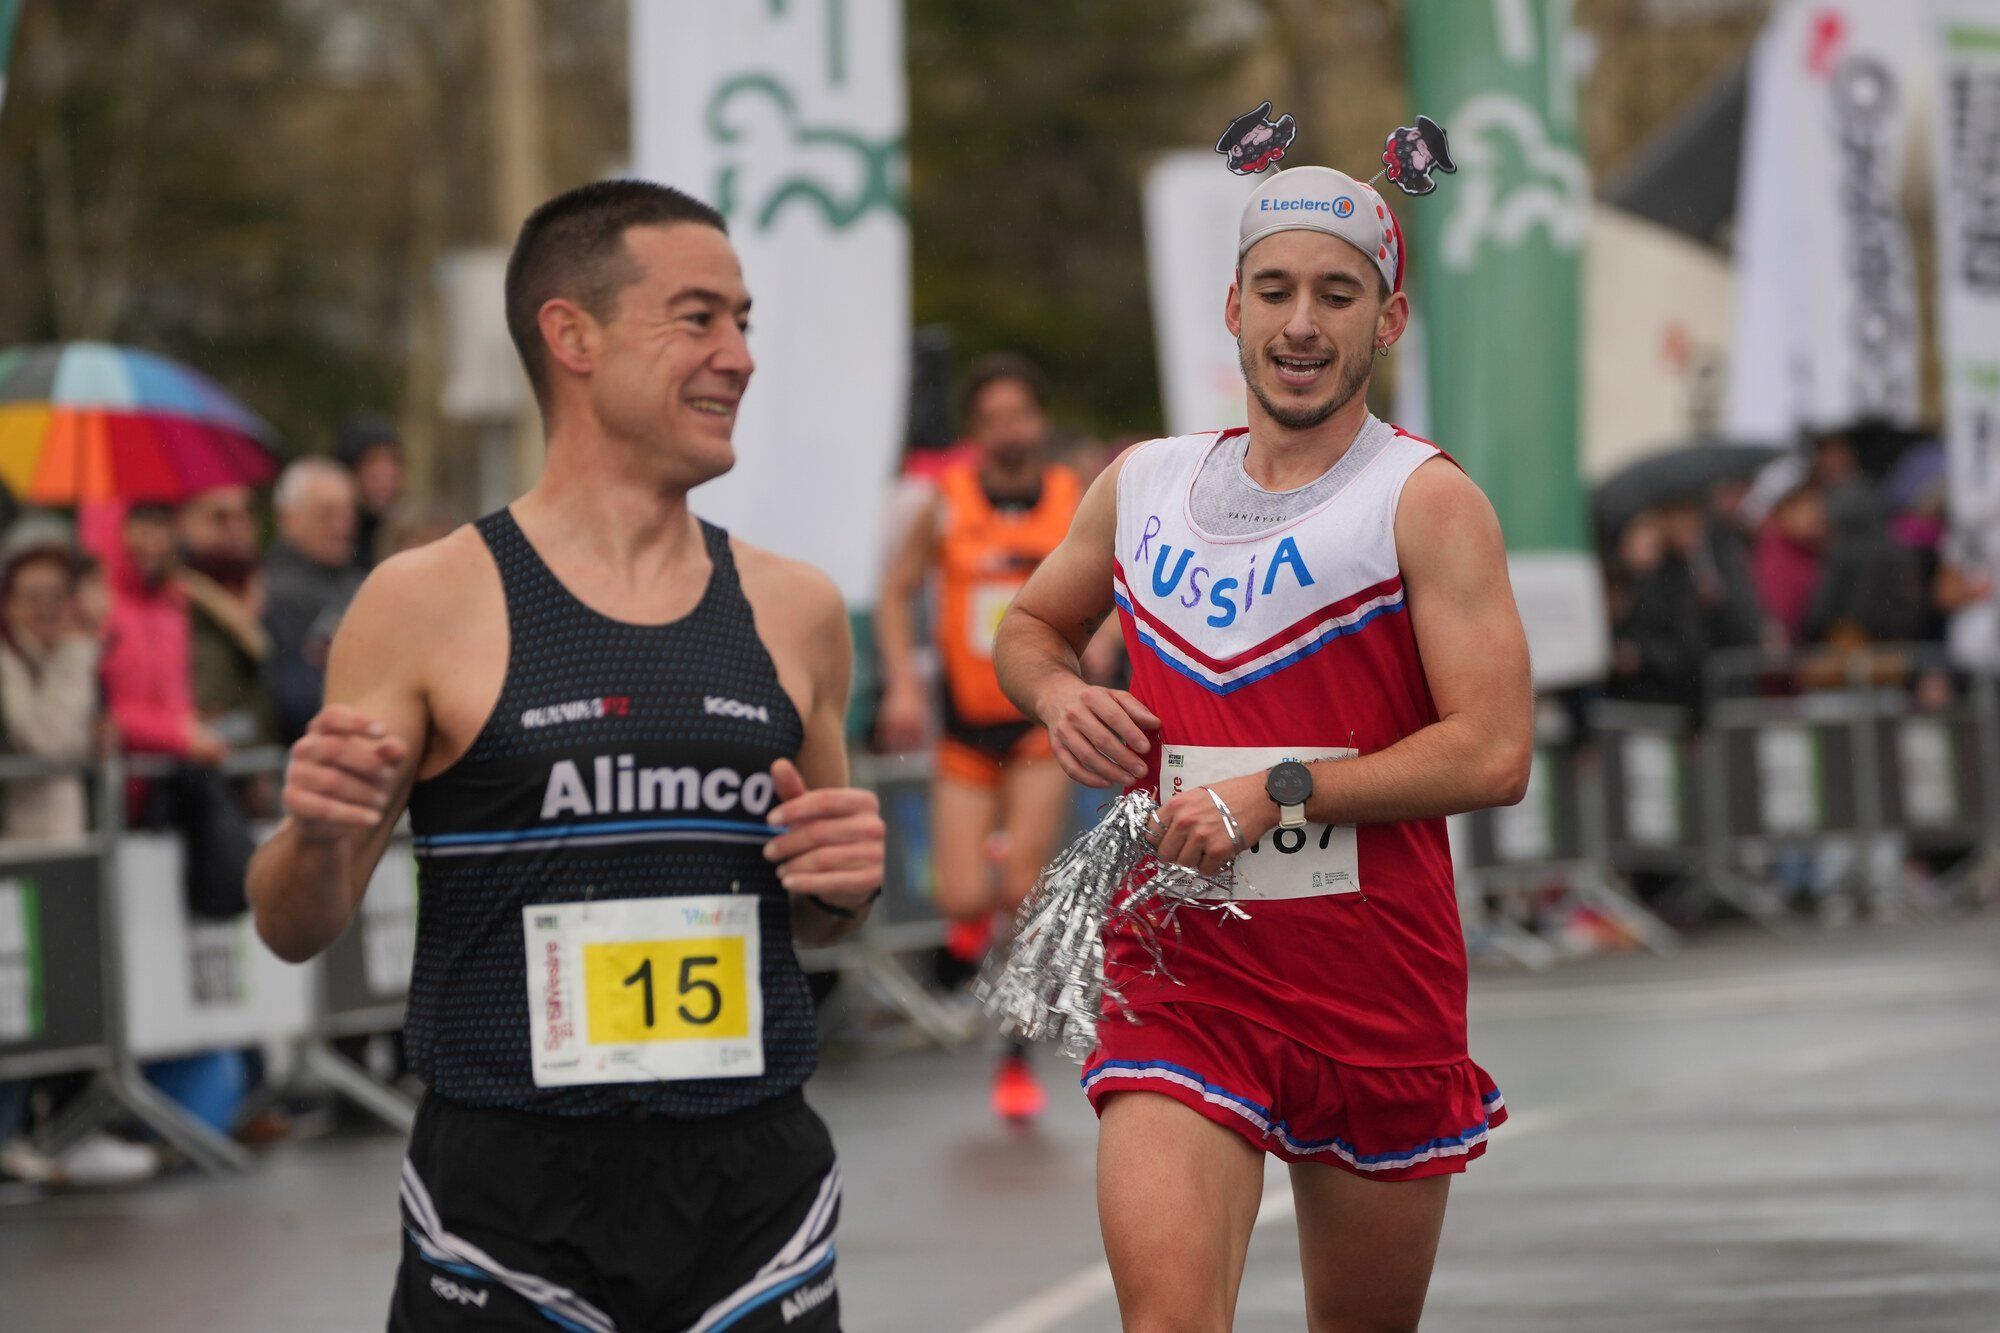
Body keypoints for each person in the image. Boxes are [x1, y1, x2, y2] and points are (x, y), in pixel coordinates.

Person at [246, 179, 884, 1332]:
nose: (737, 356)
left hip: (751, 1192)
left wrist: (843, 891)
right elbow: (296, 924)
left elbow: (821, 916)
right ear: (570, 334)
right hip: (507, 1198)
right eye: (698, 318)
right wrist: (312, 836)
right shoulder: (425, 600)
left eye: (746, 322)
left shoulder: (795, 609)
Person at [995, 165, 1532, 1331]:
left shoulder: (1424, 500)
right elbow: (1029, 626)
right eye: (1274, 289)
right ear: (1230, 305)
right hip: (1183, 970)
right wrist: (1053, 696)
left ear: (1385, 319)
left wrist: (1277, 791)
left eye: (1336, 295)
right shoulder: (1141, 483)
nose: (1301, 323)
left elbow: (1493, 752)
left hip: (1371, 983)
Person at [875, 353, 1081, 1122]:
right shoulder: (945, 503)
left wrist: (1097, 645)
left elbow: (1116, 581)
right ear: (976, 431)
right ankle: (977, 902)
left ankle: (1014, 1059)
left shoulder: (1071, 498)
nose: (1009, 431)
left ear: (1039, 421)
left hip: (1038, 722)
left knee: (1023, 880)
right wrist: (902, 680)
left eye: (1019, 415)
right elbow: (895, 596)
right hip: (964, 727)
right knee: (961, 894)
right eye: (992, 419)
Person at [263, 458, 363, 742]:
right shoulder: (270, 590)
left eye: (348, 513)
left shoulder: (361, 582)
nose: (342, 526)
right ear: (288, 518)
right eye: (327, 514)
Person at [177, 484, 277, 751]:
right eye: (219, 517)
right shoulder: (174, 600)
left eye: (245, 515)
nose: (237, 527)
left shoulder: (269, 589)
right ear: (184, 523)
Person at [334, 412, 408, 570]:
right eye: (371, 461)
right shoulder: (333, 545)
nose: (386, 473)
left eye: (394, 461)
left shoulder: (406, 536)